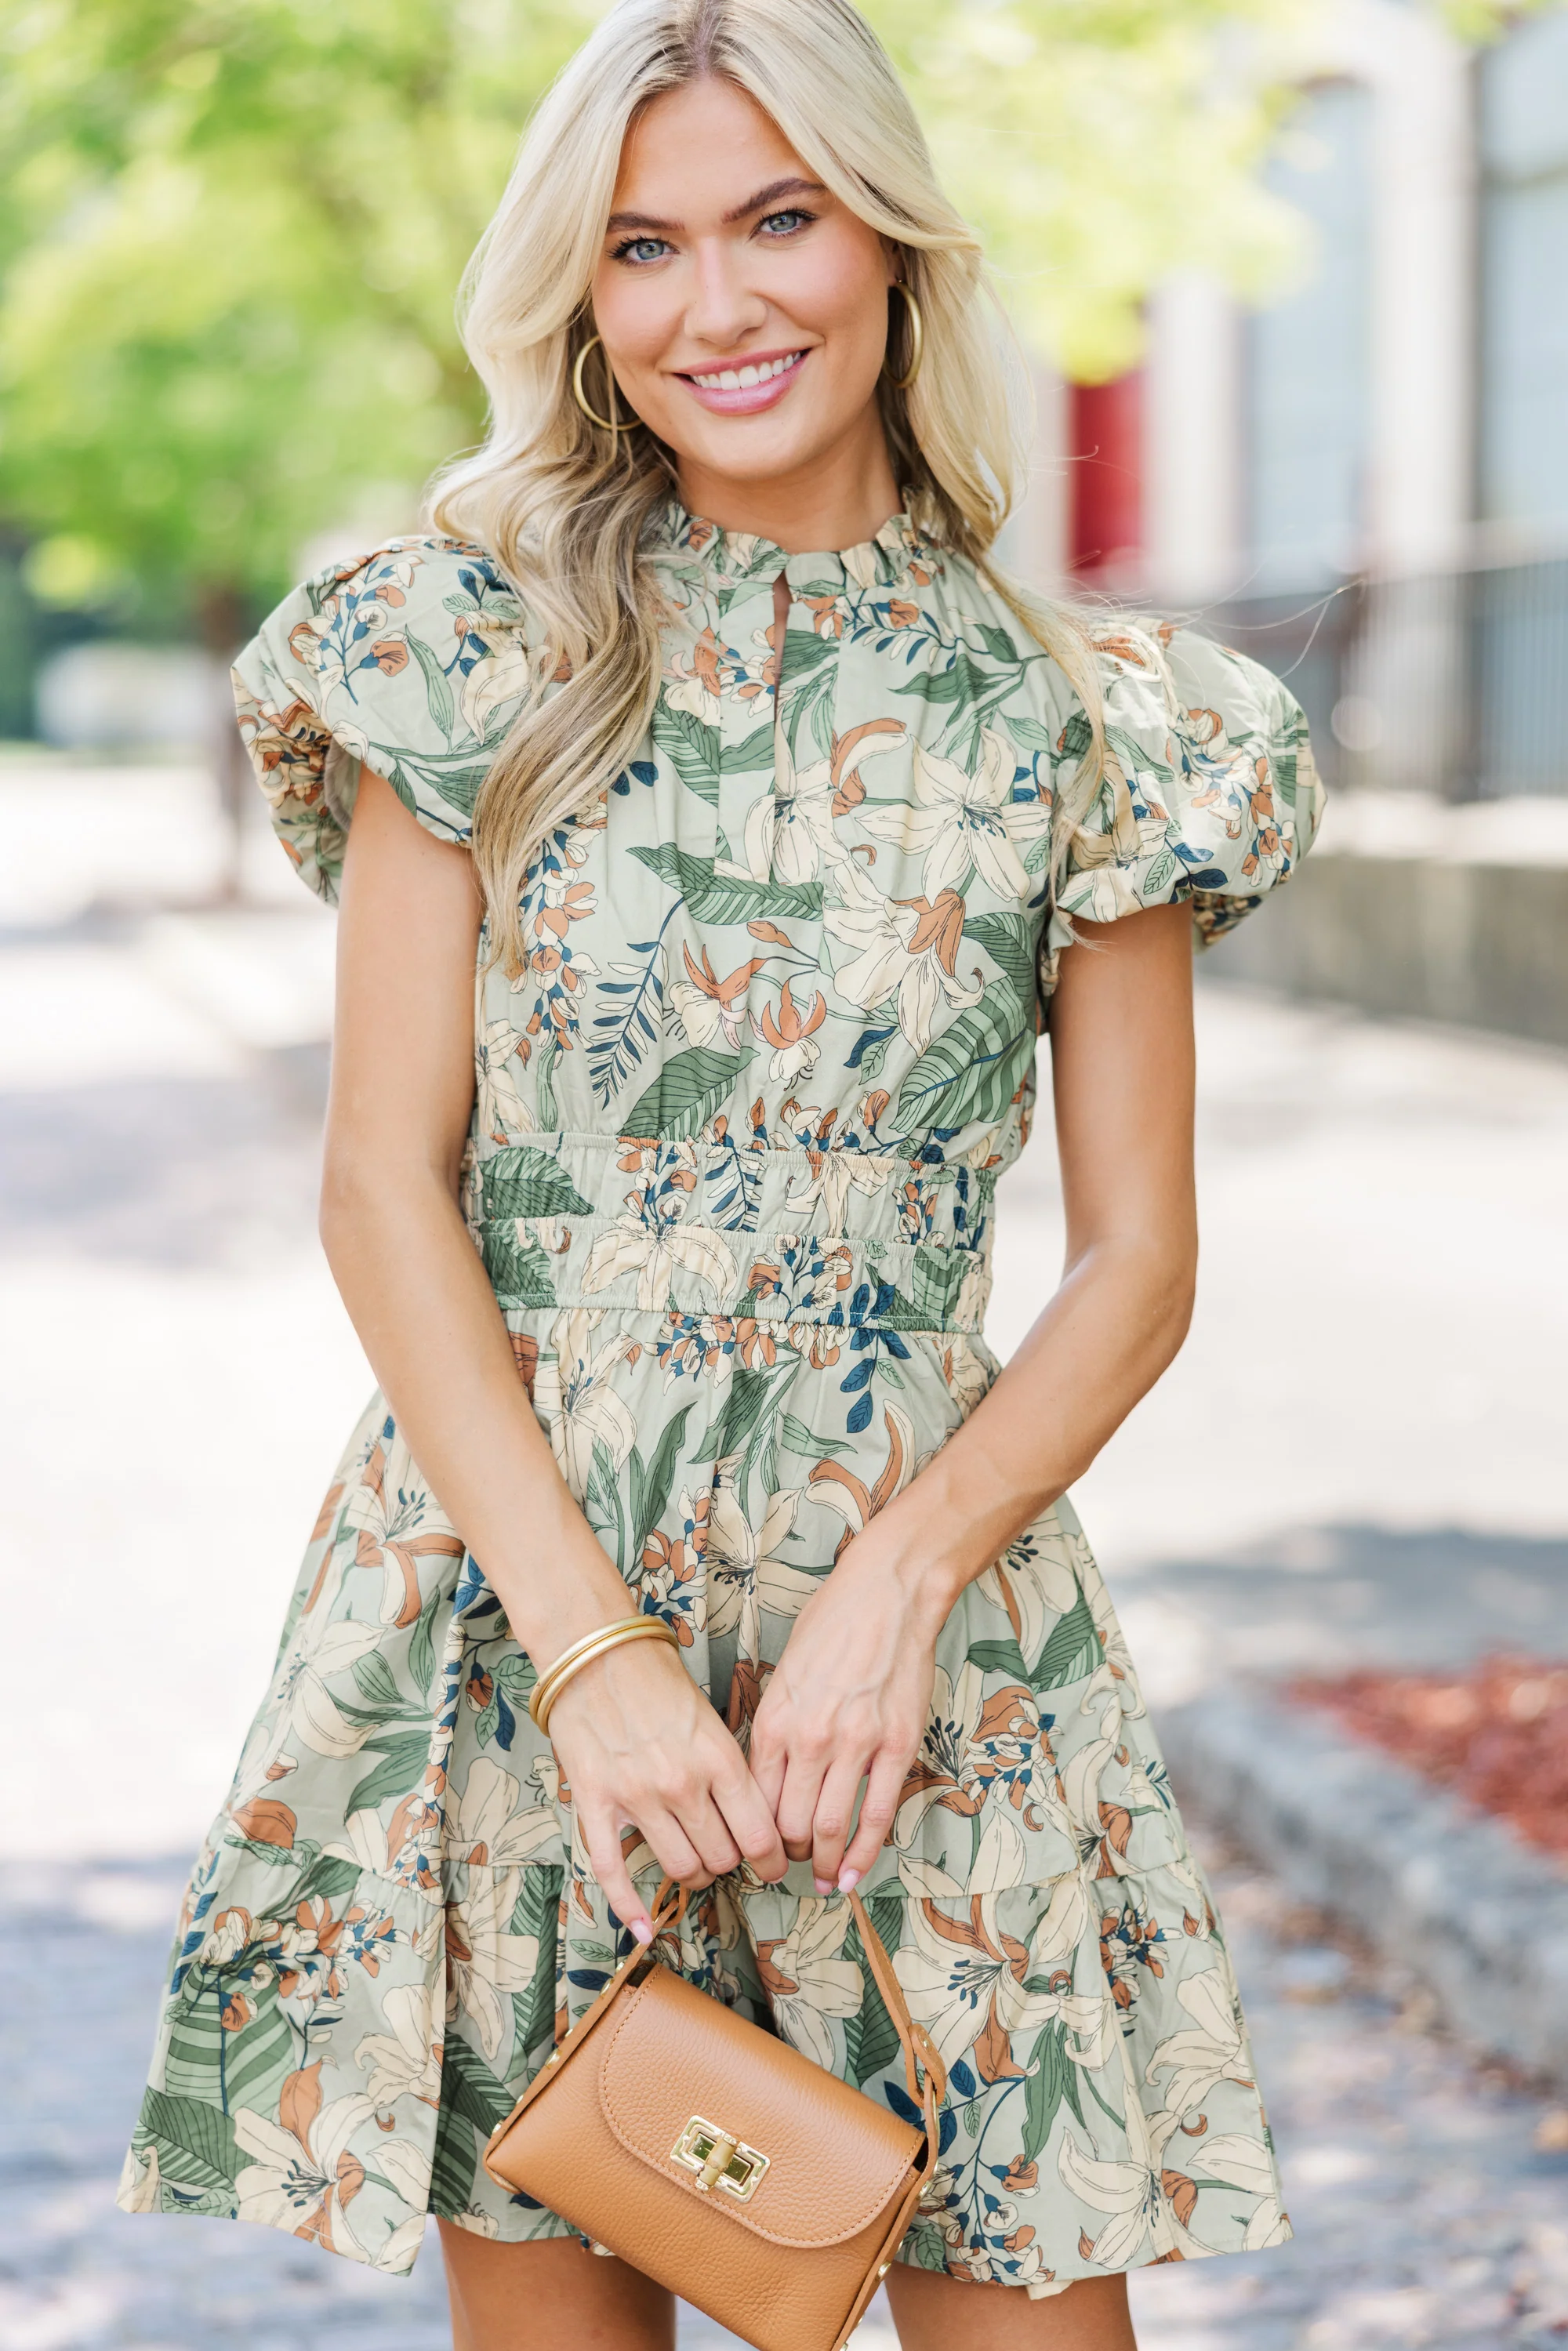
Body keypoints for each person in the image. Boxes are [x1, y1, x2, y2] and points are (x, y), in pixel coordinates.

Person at [120, 2, 1321, 2344]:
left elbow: (1143, 1254)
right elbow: (385, 1186)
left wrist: (900, 1580)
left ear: (888, 236)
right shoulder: (466, 654)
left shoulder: (1105, 723)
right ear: (581, 296)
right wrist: (592, 1658)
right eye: (642, 248)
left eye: (775, 220)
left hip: (937, 1671)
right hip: (525, 1635)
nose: (716, 306)